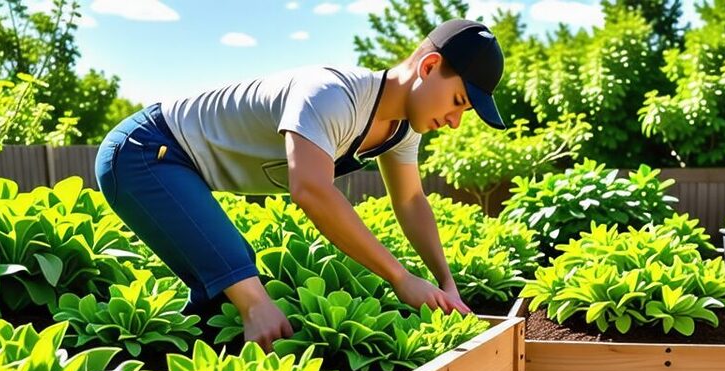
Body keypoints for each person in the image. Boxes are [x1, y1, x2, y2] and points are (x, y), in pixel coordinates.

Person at [94, 18, 507, 350]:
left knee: (217, 308)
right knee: (242, 280)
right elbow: (310, 189)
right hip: (146, 150)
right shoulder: (332, 94)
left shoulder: (402, 130)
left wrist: (444, 281)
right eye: (457, 103)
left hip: (181, 168)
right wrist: (400, 277)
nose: (454, 122)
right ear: (429, 67)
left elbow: (412, 201)